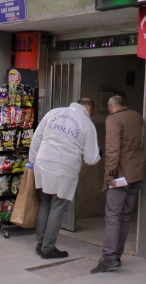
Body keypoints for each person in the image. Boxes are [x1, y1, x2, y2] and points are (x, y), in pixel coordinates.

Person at [29, 98, 101, 259]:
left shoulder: (53, 113)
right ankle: (48, 248)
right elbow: (91, 158)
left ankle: (40, 243)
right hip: (64, 168)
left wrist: (32, 161)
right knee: (57, 208)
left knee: (45, 204)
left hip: (43, 163)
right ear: (89, 108)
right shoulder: (87, 124)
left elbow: (36, 139)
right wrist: (99, 154)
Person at [91, 96, 144, 273]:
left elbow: (113, 149)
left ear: (111, 106)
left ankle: (108, 257)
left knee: (113, 215)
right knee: (125, 215)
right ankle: (117, 255)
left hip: (121, 174)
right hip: (136, 172)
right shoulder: (137, 116)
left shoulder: (113, 119)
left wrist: (109, 174)